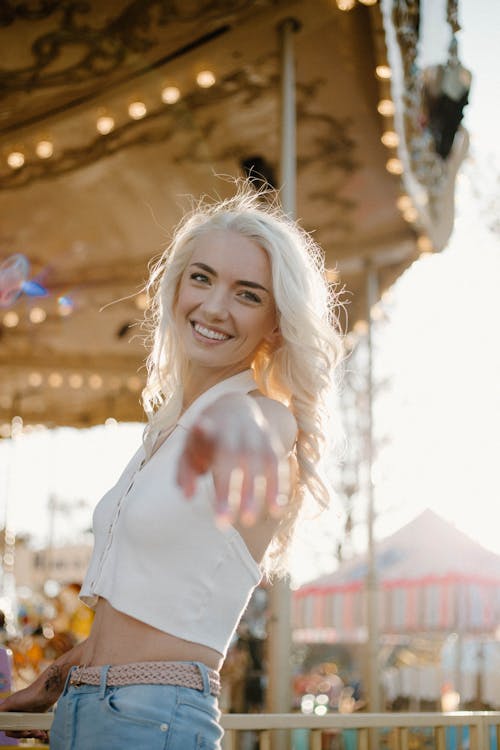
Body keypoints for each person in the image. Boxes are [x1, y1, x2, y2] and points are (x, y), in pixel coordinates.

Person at [0, 183, 343, 748]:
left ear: (276, 324)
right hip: (89, 707)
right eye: (202, 278)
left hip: (153, 717)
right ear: (176, 286)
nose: (213, 306)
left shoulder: (254, 415)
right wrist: (57, 678)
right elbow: (147, 615)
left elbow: (266, 426)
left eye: (248, 294)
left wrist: (250, 429)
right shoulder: (163, 434)